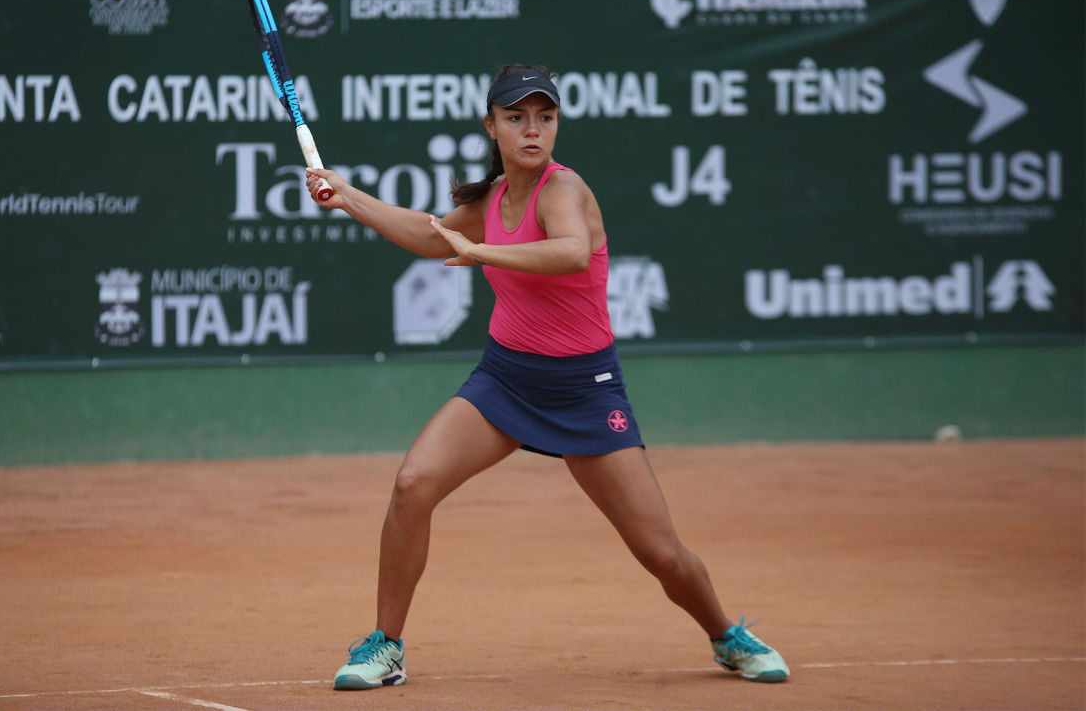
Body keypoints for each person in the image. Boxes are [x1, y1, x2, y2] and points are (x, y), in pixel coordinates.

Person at [306, 64, 790, 690]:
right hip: (505, 380)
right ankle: (386, 645)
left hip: (584, 391)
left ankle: (726, 634)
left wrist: (480, 251)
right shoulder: (491, 203)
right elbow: (430, 235)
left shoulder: (565, 190)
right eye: (517, 117)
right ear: (492, 126)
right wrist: (350, 198)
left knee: (661, 553)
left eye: (545, 117)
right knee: (411, 485)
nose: (532, 130)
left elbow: (569, 252)